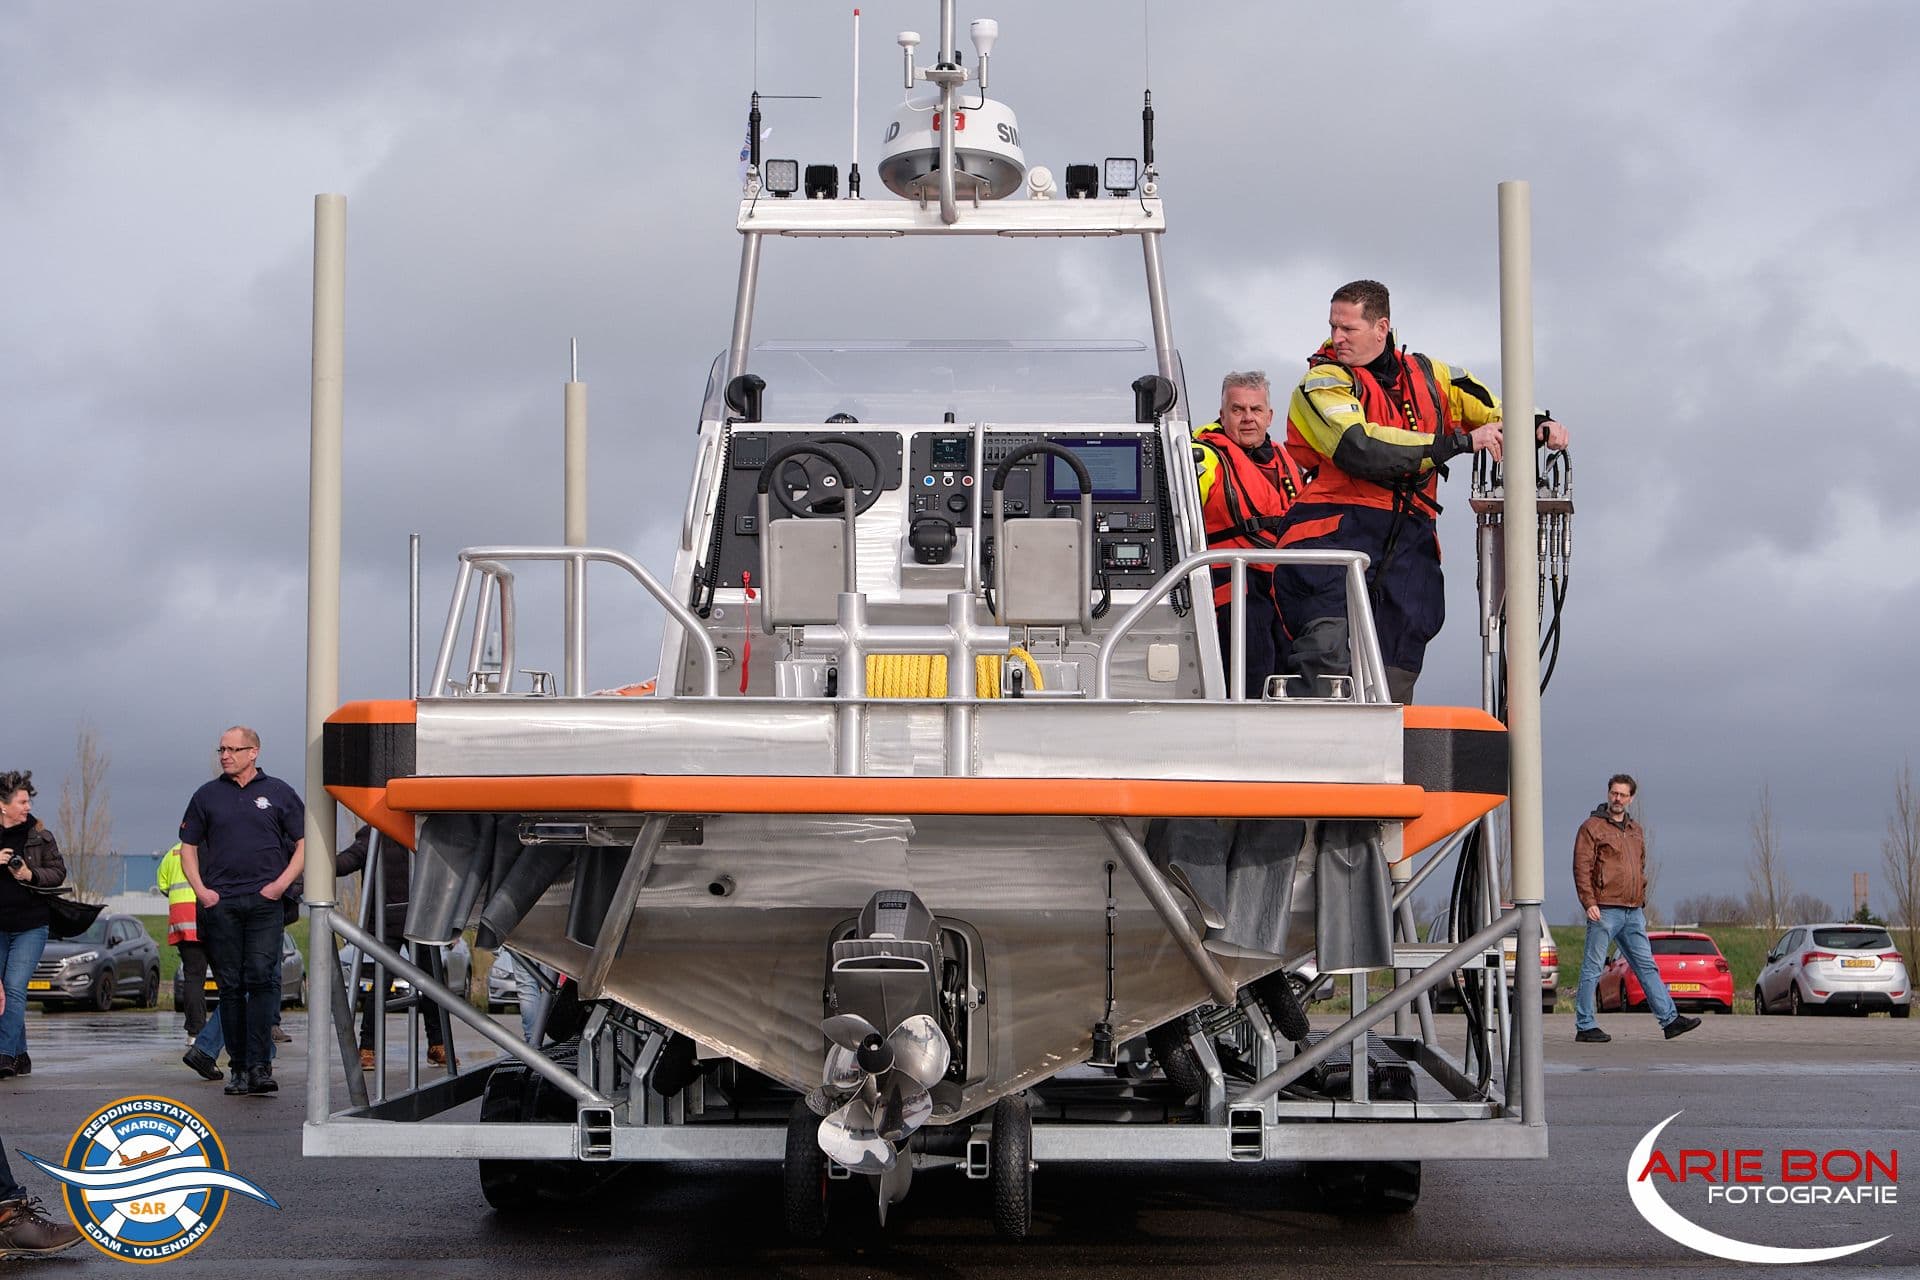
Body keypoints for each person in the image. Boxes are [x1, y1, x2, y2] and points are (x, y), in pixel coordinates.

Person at [1274, 279, 1568, 702]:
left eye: (1348, 328)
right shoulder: (1321, 382)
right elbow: (1360, 447)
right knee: (1325, 645)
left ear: (1381, 327)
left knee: (1404, 642)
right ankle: (1318, 731)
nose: (1337, 337)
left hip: (1409, 534)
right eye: (1333, 327)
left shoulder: (1434, 375)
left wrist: (1538, 424)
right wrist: (1457, 443)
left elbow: (1493, 408)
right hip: (1334, 526)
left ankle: (1389, 733)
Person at [178, 727, 304, 1097]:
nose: (225, 755)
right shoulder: (207, 796)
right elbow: (187, 847)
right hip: (223, 904)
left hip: (265, 903)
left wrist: (280, 885)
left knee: (262, 980)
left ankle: (260, 1066)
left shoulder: (278, 792)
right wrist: (202, 891)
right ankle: (238, 1069)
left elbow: (304, 842)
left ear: (254, 752)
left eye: (234, 749)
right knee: (231, 987)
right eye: (222, 749)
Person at [1192, 371, 1307, 694]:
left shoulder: (1288, 461)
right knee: (1252, 679)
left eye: (1255, 409)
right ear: (1222, 414)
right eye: (1237, 409)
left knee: (1296, 678)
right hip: (1232, 591)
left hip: (1283, 590)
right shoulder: (1205, 458)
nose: (1247, 418)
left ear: (1269, 416)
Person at [1572, 774, 1700, 1043]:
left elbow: (1639, 865)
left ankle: (1670, 1020)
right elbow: (1581, 867)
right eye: (1614, 793)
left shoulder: (1635, 830)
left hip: (1633, 911)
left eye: (1623, 795)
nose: (1617, 798)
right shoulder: (1592, 827)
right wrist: (1589, 902)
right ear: (1608, 794)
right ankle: (1585, 1025)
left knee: (1646, 967)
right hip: (1604, 910)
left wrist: (1640, 896)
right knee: (1593, 968)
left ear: (1631, 798)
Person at [335, 824, 446, 1071]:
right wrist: (318, 860)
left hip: (419, 921)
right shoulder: (375, 833)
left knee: (432, 985)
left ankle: (438, 1044)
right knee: (386, 986)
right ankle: (368, 1048)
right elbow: (348, 861)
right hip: (389, 923)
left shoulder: (421, 831)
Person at [0, 770, 64, 1081]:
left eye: (28, 801)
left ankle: (4, 1055)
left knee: (14, 987)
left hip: (31, 926)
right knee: (4, 990)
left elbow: (58, 873)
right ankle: (21, 1054)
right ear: (3, 805)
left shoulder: (40, 836)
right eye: (22, 802)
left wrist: (30, 874)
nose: (28, 807)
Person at [156, 842, 208, 1040]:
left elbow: (163, 886)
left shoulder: (172, 853)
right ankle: (230, 1030)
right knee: (226, 977)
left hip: (181, 919)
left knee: (193, 976)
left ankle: (195, 1031)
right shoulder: (212, 846)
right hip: (207, 913)